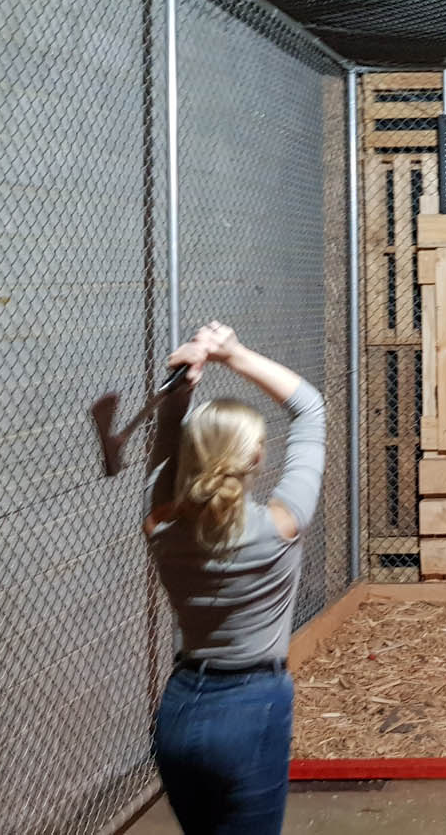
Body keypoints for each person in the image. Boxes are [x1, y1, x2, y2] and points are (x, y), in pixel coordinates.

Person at [142, 322, 326, 835]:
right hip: (251, 706)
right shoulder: (281, 526)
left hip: (178, 709)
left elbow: (164, 463)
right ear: (256, 458)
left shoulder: (160, 524)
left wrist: (180, 393)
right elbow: (309, 408)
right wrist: (234, 354)